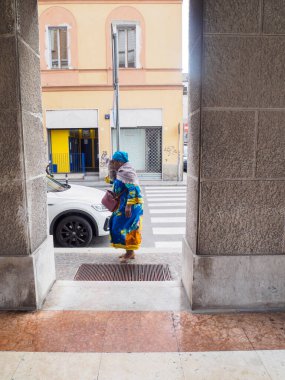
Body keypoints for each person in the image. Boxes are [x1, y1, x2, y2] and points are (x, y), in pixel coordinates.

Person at [106, 151, 143, 262]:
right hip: (122, 204)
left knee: (128, 228)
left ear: (120, 161)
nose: (114, 163)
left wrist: (128, 206)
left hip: (131, 206)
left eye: (115, 161)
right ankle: (129, 252)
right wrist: (111, 168)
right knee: (118, 226)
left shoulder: (127, 172)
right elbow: (113, 182)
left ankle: (130, 253)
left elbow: (133, 190)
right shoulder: (120, 171)